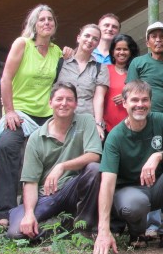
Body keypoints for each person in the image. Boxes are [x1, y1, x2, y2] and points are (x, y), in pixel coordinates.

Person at [93, 80, 163, 254]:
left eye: (144, 100)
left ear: (150, 102)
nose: (140, 105)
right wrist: (103, 229)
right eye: (134, 100)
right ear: (124, 103)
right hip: (129, 193)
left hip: (156, 188)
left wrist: (159, 155)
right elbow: (107, 184)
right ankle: (137, 232)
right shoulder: (115, 137)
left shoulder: (160, 120)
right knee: (135, 204)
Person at [0, 4, 62, 233]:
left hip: (47, 115)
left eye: (50, 19)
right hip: (20, 112)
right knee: (7, 146)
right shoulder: (22, 44)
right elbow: (5, 79)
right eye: (41, 19)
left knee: (54, 153)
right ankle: (3, 212)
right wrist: (9, 110)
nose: (46, 23)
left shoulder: (57, 51)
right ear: (34, 24)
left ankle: (43, 208)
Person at [6, 83, 102, 239]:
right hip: (48, 195)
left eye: (69, 100)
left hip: (73, 189)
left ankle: (84, 227)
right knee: (16, 233)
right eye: (59, 99)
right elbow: (30, 181)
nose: (64, 103)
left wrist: (62, 166)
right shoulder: (36, 138)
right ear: (50, 103)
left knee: (94, 169)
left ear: (76, 104)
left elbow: (94, 155)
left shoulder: (86, 121)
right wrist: (29, 213)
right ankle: (64, 227)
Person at [56, 23, 109, 138]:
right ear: (79, 37)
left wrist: (98, 124)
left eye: (95, 39)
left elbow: (99, 97)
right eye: (87, 36)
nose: (90, 40)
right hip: (59, 119)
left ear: (98, 43)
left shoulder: (100, 68)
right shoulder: (61, 61)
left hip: (85, 122)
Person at [126, 22, 163, 115]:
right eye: (154, 37)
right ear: (147, 43)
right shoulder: (138, 62)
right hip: (143, 114)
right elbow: (130, 91)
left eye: (162, 37)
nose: (158, 40)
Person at [103, 34, 139, 134]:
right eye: (118, 49)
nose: (121, 52)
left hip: (132, 125)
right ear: (112, 51)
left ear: (131, 51)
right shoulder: (104, 69)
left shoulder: (137, 71)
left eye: (125, 49)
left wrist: (127, 96)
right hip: (106, 126)